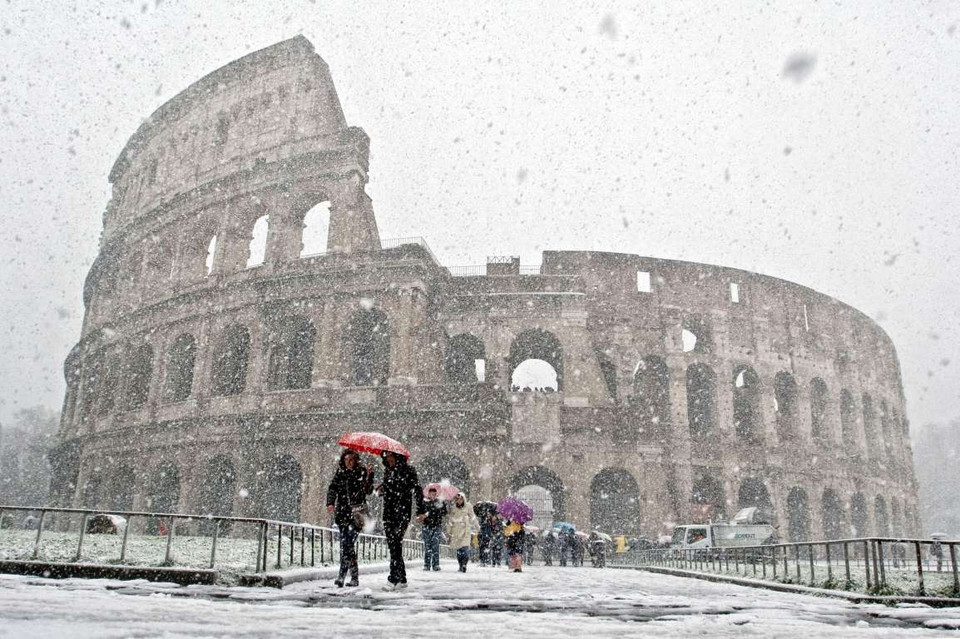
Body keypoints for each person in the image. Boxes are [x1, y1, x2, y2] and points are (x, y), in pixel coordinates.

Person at [377, 450, 426, 590]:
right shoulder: (387, 471)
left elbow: (417, 489)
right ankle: (402, 578)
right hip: (388, 513)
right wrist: (383, 489)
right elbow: (389, 490)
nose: (388, 458)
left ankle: (392, 578)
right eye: (385, 456)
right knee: (394, 545)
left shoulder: (408, 470)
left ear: (397, 456)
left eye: (390, 455)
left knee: (395, 543)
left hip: (402, 512)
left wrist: (420, 510)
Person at [326, 448, 374, 587]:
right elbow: (332, 488)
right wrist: (330, 502)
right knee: (347, 545)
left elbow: (368, 491)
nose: (349, 462)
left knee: (347, 544)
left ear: (355, 460)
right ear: (343, 460)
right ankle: (353, 577)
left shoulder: (362, 471)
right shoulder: (340, 473)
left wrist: (369, 476)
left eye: (351, 459)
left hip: (357, 514)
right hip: (342, 514)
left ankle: (342, 576)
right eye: (346, 459)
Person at [445, 492, 478, 572]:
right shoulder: (453, 508)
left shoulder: (468, 507)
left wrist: (477, 526)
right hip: (456, 531)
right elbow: (450, 521)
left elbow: (473, 517)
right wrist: (448, 531)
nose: (459, 501)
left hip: (466, 531)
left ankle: (464, 564)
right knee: (459, 551)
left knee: (465, 549)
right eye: (458, 499)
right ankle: (460, 564)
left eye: (461, 499)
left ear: (463, 499)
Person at [422, 486, 448, 571]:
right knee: (427, 546)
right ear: (428, 494)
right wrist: (426, 513)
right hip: (426, 526)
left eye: (434, 494)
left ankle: (436, 564)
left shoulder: (439, 502)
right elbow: (420, 513)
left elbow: (444, 512)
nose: (432, 495)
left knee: (435, 546)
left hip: (436, 526)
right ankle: (427, 564)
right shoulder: (425, 502)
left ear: (436, 494)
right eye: (431, 494)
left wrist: (442, 505)